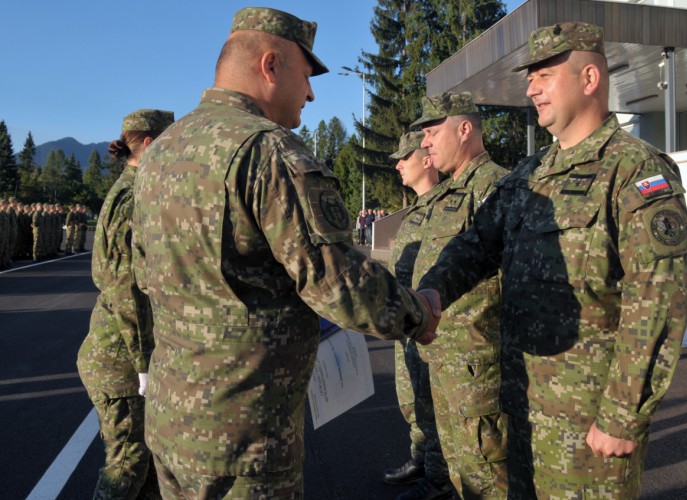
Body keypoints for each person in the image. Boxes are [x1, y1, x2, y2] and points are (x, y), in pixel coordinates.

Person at [130, 8, 439, 499]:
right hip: (243, 436)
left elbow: (143, 275)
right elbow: (337, 281)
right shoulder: (267, 150)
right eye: (307, 75)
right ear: (271, 65)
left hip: (172, 421)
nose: (311, 94)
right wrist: (417, 314)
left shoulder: (162, 152)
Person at [418, 22, 687, 498]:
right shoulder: (529, 175)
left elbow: (658, 299)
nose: (531, 89)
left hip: (588, 428)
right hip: (521, 411)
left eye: (544, 75)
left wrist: (623, 414)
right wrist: (431, 292)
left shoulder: (634, 169)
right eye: (530, 78)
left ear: (589, 79)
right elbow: (475, 244)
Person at [405, 92, 509, 500]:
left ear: (464, 129)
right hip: (444, 361)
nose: (425, 143)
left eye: (432, 132)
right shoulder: (447, 195)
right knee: (458, 475)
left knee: (487, 479)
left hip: (478, 369)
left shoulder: (496, 188)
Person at [77, 108, 174, 500]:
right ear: (149, 145)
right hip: (121, 360)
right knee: (127, 466)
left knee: (149, 470)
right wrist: (144, 363)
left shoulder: (140, 190)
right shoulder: (133, 197)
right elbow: (125, 289)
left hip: (127, 354)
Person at [384, 132, 451, 496]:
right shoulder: (415, 210)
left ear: (426, 160)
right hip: (408, 323)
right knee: (411, 398)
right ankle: (420, 457)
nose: (398, 165)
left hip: (432, 324)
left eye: (404, 157)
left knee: (432, 402)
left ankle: (438, 478)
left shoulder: (446, 206)